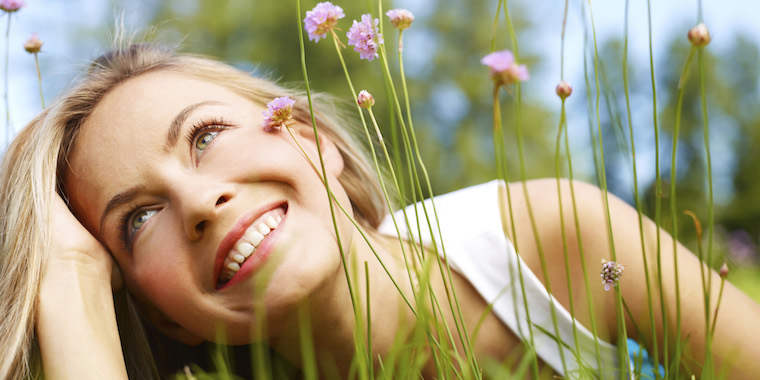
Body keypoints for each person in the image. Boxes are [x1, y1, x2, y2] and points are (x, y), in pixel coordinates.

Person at [0, 42, 758, 380]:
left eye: (207, 136)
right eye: (137, 219)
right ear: (166, 318)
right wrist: (65, 280)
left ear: (314, 139)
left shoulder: (558, 240)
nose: (199, 203)